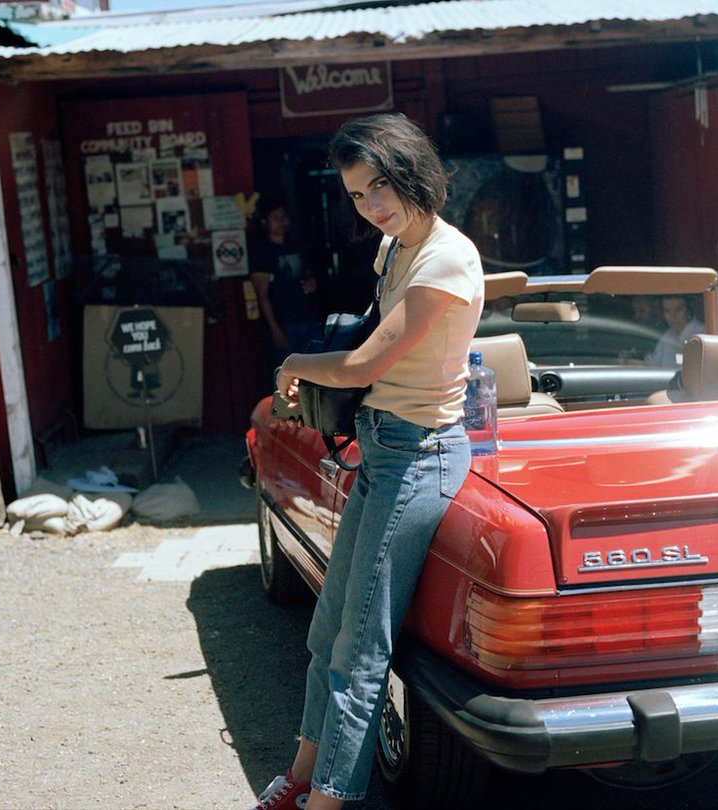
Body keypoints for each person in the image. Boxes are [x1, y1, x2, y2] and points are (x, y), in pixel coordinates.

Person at [258, 113, 484, 810]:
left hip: (420, 455)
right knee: (328, 630)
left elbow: (366, 361)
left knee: (360, 651)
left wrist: (296, 361)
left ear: (412, 171)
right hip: (383, 444)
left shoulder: (446, 257)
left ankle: (327, 800)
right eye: (357, 195)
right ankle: (300, 775)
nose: (372, 206)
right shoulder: (393, 248)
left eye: (380, 185)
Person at [249, 198, 323, 366]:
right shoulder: (263, 253)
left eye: (284, 217)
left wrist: (312, 283)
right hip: (284, 324)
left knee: (318, 369)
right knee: (288, 374)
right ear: (265, 222)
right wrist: (275, 329)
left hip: (308, 318)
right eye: (276, 218)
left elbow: (308, 274)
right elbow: (263, 295)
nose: (281, 221)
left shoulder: (296, 245)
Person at [643, 294, 705, 367]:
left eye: (678, 309)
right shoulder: (668, 335)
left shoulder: (702, 334)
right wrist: (628, 361)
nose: (673, 316)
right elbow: (653, 364)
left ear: (688, 310)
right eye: (667, 311)